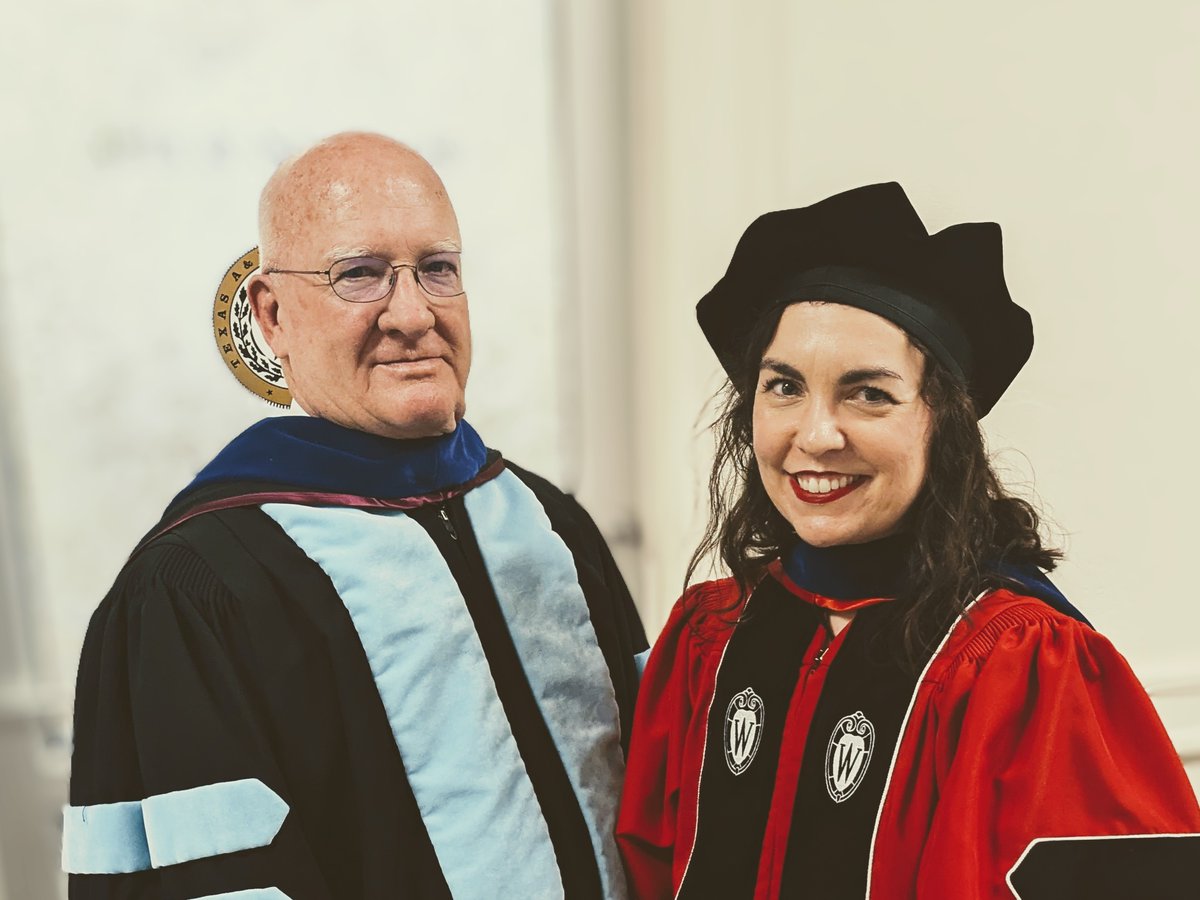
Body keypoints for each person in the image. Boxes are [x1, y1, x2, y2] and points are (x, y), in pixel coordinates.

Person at [63, 132, 646, 900]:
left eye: (438, 269)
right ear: (271, 316)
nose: (412, 314)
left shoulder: (549, 527)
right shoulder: (194, 590)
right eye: (359, 275)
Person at [615, 182, 1200, 899]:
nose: (816, 435)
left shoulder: (1025, 668)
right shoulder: (708, 638)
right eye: (784, 387)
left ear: (941, 425)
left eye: (870, 394)